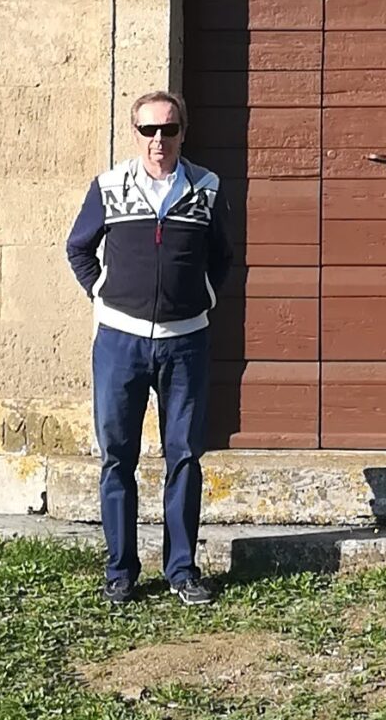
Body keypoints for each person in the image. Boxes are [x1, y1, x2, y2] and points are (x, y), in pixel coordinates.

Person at [65, 87, 233, 606]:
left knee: (184, 456)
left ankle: (182, 570)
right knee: (118, 457)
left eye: (169, 129)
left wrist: (202, 296)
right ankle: (121, 572)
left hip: (185, 345)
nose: (159, 140)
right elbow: (78, 247)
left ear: (183, 131)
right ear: (136, 133)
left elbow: (223, 256)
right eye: (149, 130)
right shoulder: (109, 186)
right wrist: (101, 292)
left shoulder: (206, 188)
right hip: (120, 342)